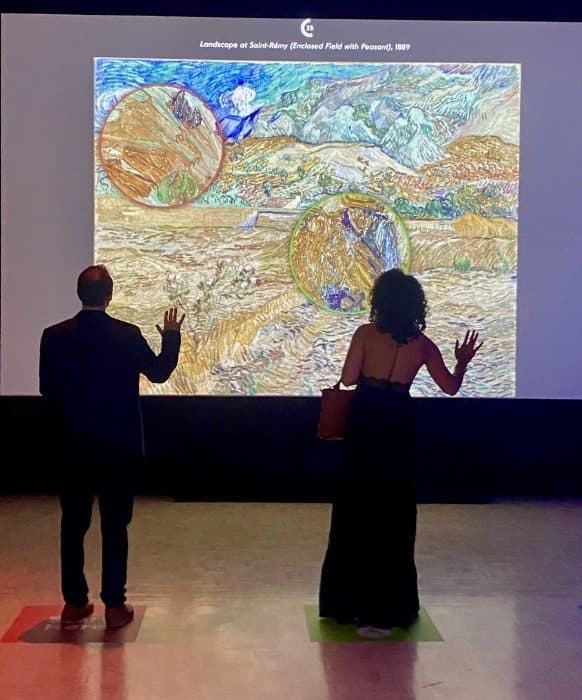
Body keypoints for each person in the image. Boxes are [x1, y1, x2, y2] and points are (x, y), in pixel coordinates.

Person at [318, 268, 482, 638]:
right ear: (415, 306)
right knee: (393, 518)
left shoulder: (364, 334)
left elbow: (348, 378)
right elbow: (450, 387)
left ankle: (347, 605)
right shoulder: (423, 346)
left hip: (365, 423)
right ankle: (389, 608)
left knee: (356, 514)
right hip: (398, 426)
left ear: (379, 301)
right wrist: (462, 362)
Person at [39, 265, 184, 629]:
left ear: (79, 294)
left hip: (71, 446)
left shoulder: (53, 336)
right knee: (115, 527)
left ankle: (74, 604)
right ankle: (115, 607)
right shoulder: (126, 334)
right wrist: (171, 337)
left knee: (73, 525)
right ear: (110, 295)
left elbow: (47, 389)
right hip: (118, 447)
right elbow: (159, 373)